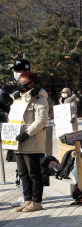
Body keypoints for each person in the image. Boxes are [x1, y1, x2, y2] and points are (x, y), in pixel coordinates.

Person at [10, 71, 49, 212]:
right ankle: (27, 199)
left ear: (32, 84)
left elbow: (41, 121)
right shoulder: (17, 98)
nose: (21, 86)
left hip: (32, 141)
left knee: (34, 173)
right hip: (17, 143)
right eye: (20, 83)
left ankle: (36, 201)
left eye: (24, 83)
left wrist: (26, 134)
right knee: (22, 173)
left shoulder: (40, 99)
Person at [0, 59, 31, 208]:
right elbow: (9, 108)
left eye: (17, 71)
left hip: (26, 132)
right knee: (20, 167)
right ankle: (24, 194)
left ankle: (29, 196)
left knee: (28, 167)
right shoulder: (15, 88)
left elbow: (14, 106)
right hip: (14, 130)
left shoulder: (32, 89)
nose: (15, 73)